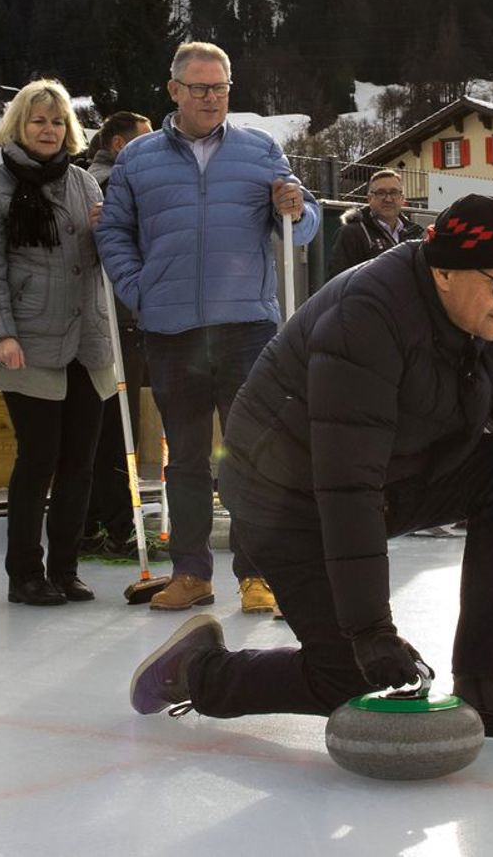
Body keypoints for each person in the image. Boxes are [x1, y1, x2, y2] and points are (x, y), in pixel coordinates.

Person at [127, 195, 493, 742]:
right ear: (445, 273)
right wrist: (371, 630)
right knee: (349, 677)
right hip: (285, 499)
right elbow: (347, 485)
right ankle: (197, 672)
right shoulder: (366, 318)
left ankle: (489, 684)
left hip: (391, 477)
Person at [96, 42, 319, 614]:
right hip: (172, 330)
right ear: (174, 90)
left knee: (252, 455)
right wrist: (140, 290)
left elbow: (302, 224)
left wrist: (296, 207)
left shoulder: (260, 149)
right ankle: (191, 573)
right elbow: (113, 231)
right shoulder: (138, 158)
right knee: (187, 457)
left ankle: (257, 573)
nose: (211, 98)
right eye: (199, 88)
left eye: (220, 88)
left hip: (247, 327)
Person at [0, 80, 112, 606]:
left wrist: (109, 230)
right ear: (18, 126)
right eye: (38, 121)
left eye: (56, 121)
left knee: (80, 464)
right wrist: (0, 334)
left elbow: (105, 258)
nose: (48, 130)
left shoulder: (85, 184)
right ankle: (24, 574)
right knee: (38, 460)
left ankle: (65, 569)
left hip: (87, 343)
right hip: (28, 343)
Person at [79, 110, 152, 560]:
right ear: (121, 145)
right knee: (118, 429)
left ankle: (90, 524)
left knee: (104, 426)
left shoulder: (96, 179)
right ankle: (119, 527)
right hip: (117, 318)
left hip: (115, 317)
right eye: (144, 140)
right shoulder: (111, 183)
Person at [330, 169, 418, 275]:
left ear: (402, 198)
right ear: (369, 199)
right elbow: (339, 278)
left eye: (394, 193)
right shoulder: (352, 233)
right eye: (381, 193)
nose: (388, 199)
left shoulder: (415, 233)